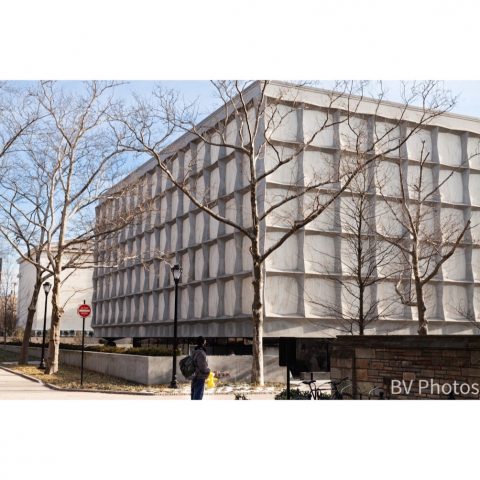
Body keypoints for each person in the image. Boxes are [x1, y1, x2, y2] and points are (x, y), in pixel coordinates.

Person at [191, 336, 211, 400]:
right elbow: (202, 368)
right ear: (204, 342)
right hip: (199, 377)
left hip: (194, 376)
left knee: (194, 394)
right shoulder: (201, 353)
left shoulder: (194, 351)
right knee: (198, 395)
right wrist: (209, 370)